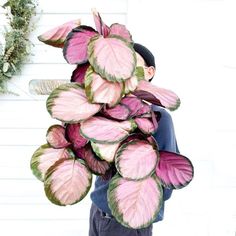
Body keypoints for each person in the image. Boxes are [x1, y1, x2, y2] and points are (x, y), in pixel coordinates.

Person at [88, 43, 180, 236]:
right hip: (98, 211)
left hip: (126, 223)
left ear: (149, 72)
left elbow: (169, 178)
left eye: (133, 63)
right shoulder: (108, 111)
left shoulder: (158, 118)